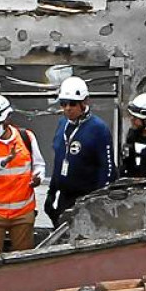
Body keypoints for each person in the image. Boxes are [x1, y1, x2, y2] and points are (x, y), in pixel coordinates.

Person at [0, 94, 46, 256]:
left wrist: (38, 177)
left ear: (7, 118)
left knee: (23, 262)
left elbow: (39, 165)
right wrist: (4, 161)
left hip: (22, 212)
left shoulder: (26, 137)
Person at [44, 76, 118, 226]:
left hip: (87, 198)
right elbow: (59, 161)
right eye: (63, 104)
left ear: (84, 102)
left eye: (72, 104)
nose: (67, 108)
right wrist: (51, 193)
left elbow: (108, 169)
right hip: (65, 197)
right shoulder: (62, 124)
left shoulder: (99, 129)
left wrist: (98, 201)